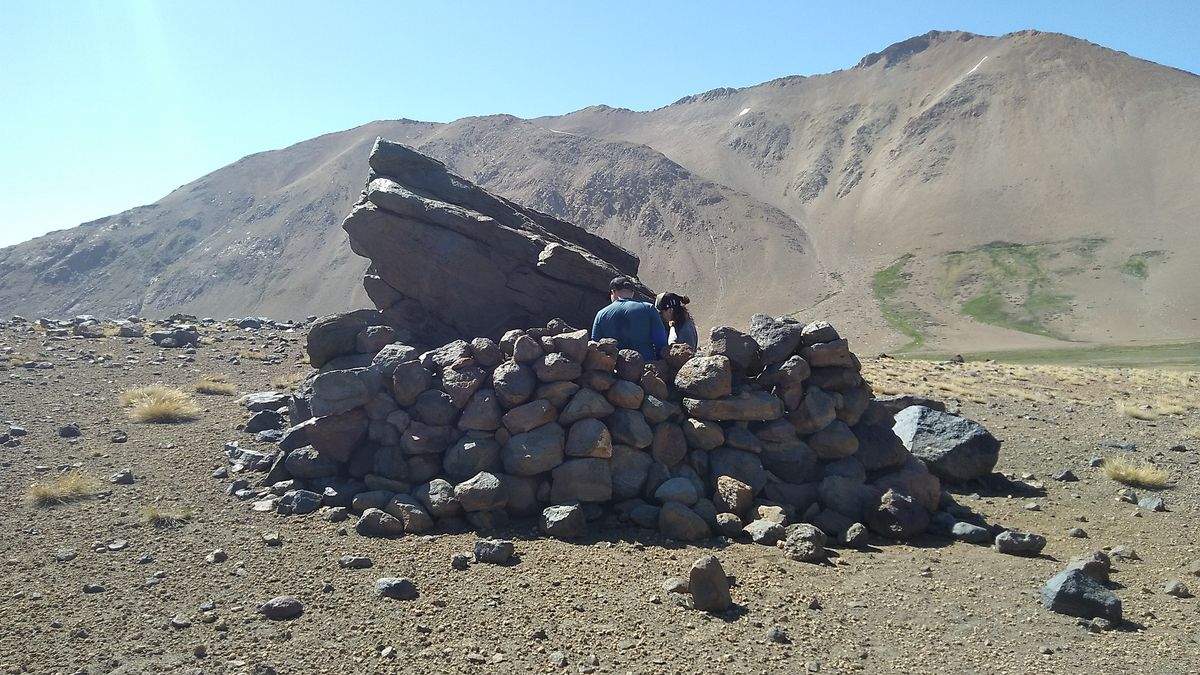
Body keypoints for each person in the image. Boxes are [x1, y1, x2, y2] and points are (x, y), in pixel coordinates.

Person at [591, 276, 668, 361]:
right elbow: (661, 341)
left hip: (613, 369)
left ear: (613, 292)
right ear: (632, 292)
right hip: (646, 368)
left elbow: (595, 346)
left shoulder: (601, 314)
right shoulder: (648, 308)